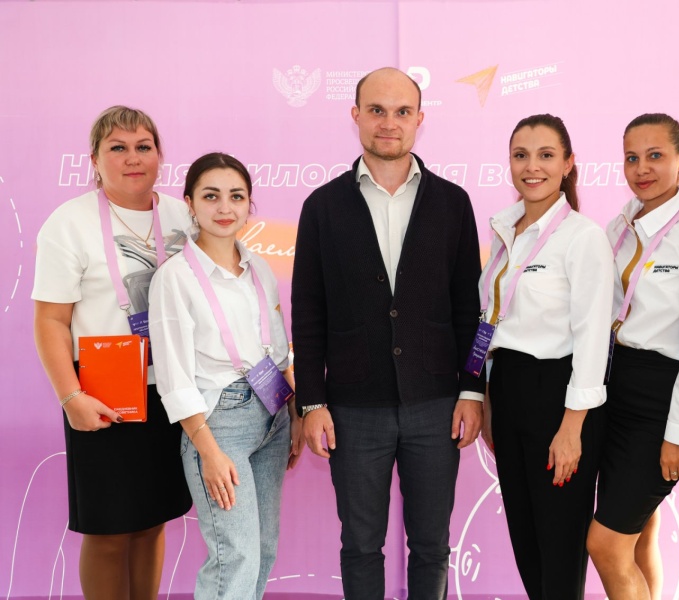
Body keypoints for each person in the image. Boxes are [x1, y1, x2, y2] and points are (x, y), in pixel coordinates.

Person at [292, 66, 484, 600]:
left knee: (432, 546)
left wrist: (472, 391)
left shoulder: (453, 203)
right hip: (353, 408)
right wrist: (312, 403)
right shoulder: (322, 207)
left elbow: (469, 309)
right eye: (377, 110)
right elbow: (307, 313)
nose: (389, 123)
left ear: (420, 119)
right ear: (355, 115)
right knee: (360, 546)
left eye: (402, 111)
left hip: (436, 404)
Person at [32, 106, 192, 599]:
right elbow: (50, 321)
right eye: (117, 148)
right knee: (107, 531)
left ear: (160, 155)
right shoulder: (69, 223)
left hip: (173, 390)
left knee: (152, 521)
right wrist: (71, 397)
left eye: (143, 146)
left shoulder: (183, 216)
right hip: (102, 395)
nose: (132, 158)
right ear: (95, 160)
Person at [587, 113, 679, 600]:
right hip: (614, 384)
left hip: (661, 398)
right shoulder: (619, 226)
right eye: (632, 158)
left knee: (606, 544)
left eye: (656, 156)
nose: (642, 168)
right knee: (639, 530)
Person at [149, 152, 301, 599]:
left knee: (263, 550)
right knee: (235, 556)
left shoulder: (260, 269)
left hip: (273, 417)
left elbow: (278, 350)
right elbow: (175, 378)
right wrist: (208, 452)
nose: (224, 208)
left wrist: (294, 414)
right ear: (189, 204)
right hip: (218, 425)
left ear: (249, 205)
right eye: (211, 196)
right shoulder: (175, 277)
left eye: (236, 197)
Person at [477, 114, 612, 599]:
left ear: (568, 164)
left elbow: (594, 336)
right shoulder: (505, 231)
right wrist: (488, 401)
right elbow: (492, 323)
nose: (532, 167)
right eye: (521, 156)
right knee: (526, 539)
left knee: (559, 544)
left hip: (560, 398)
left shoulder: (583, 237)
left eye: (546, 155)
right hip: (508, 391)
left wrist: (572, 428)